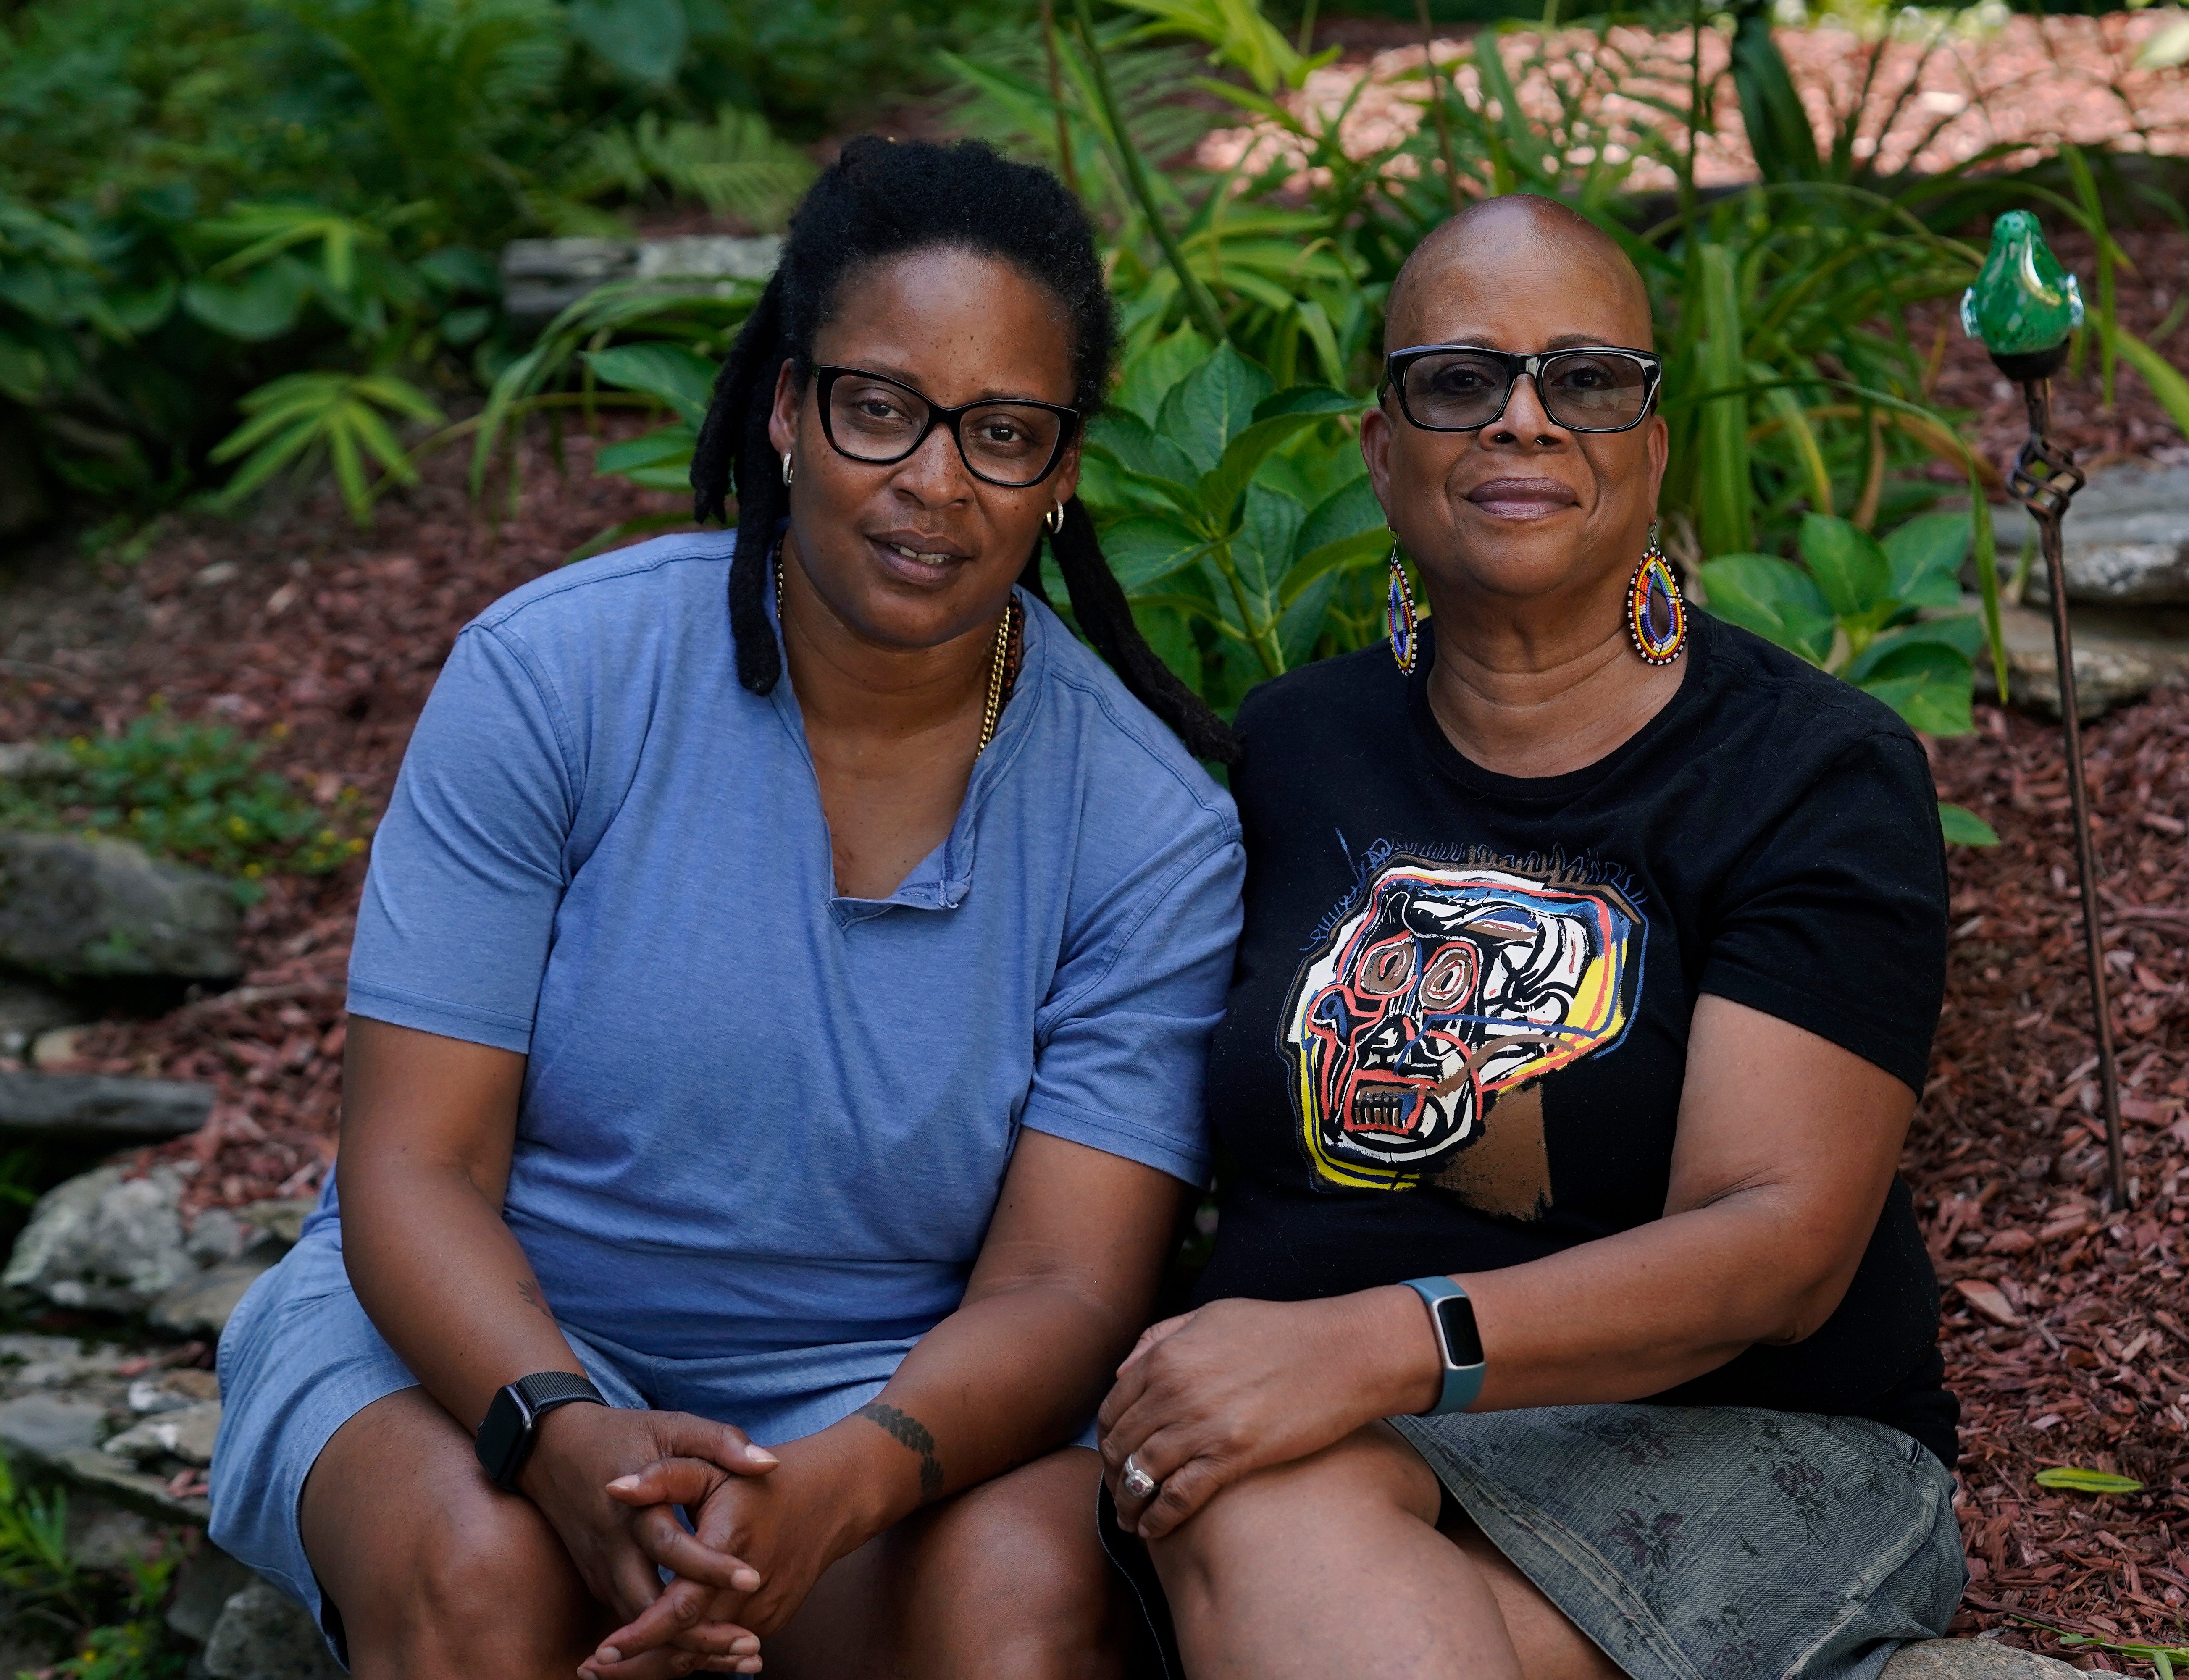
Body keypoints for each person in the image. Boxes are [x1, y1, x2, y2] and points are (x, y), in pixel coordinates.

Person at [208, 136, 1246, 1680]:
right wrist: (557, 1433)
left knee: (1016, 1607)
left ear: (1064, 469)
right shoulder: (553, 678)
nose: (936, 481)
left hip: (886, 1398)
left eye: (1006, 432)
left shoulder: (1147, 825)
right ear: (787, 407)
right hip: (481, 1342)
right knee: (484, 1575)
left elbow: (1064, 1283)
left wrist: (848, 1478)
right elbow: (416, 1164)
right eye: (880, 408)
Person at [1093, 194, 1965, 1680]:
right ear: (1383, 450)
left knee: (1262, 1531)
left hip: (1718, 1443)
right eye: (1457, 380)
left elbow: (1774, 1256)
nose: (1523, 421)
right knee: (1250, 1529)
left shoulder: (1805, 772)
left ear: (1652, 442)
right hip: (1312, 1442)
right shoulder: (1296, 750)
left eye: (1586, 379)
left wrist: (1364, 1345)